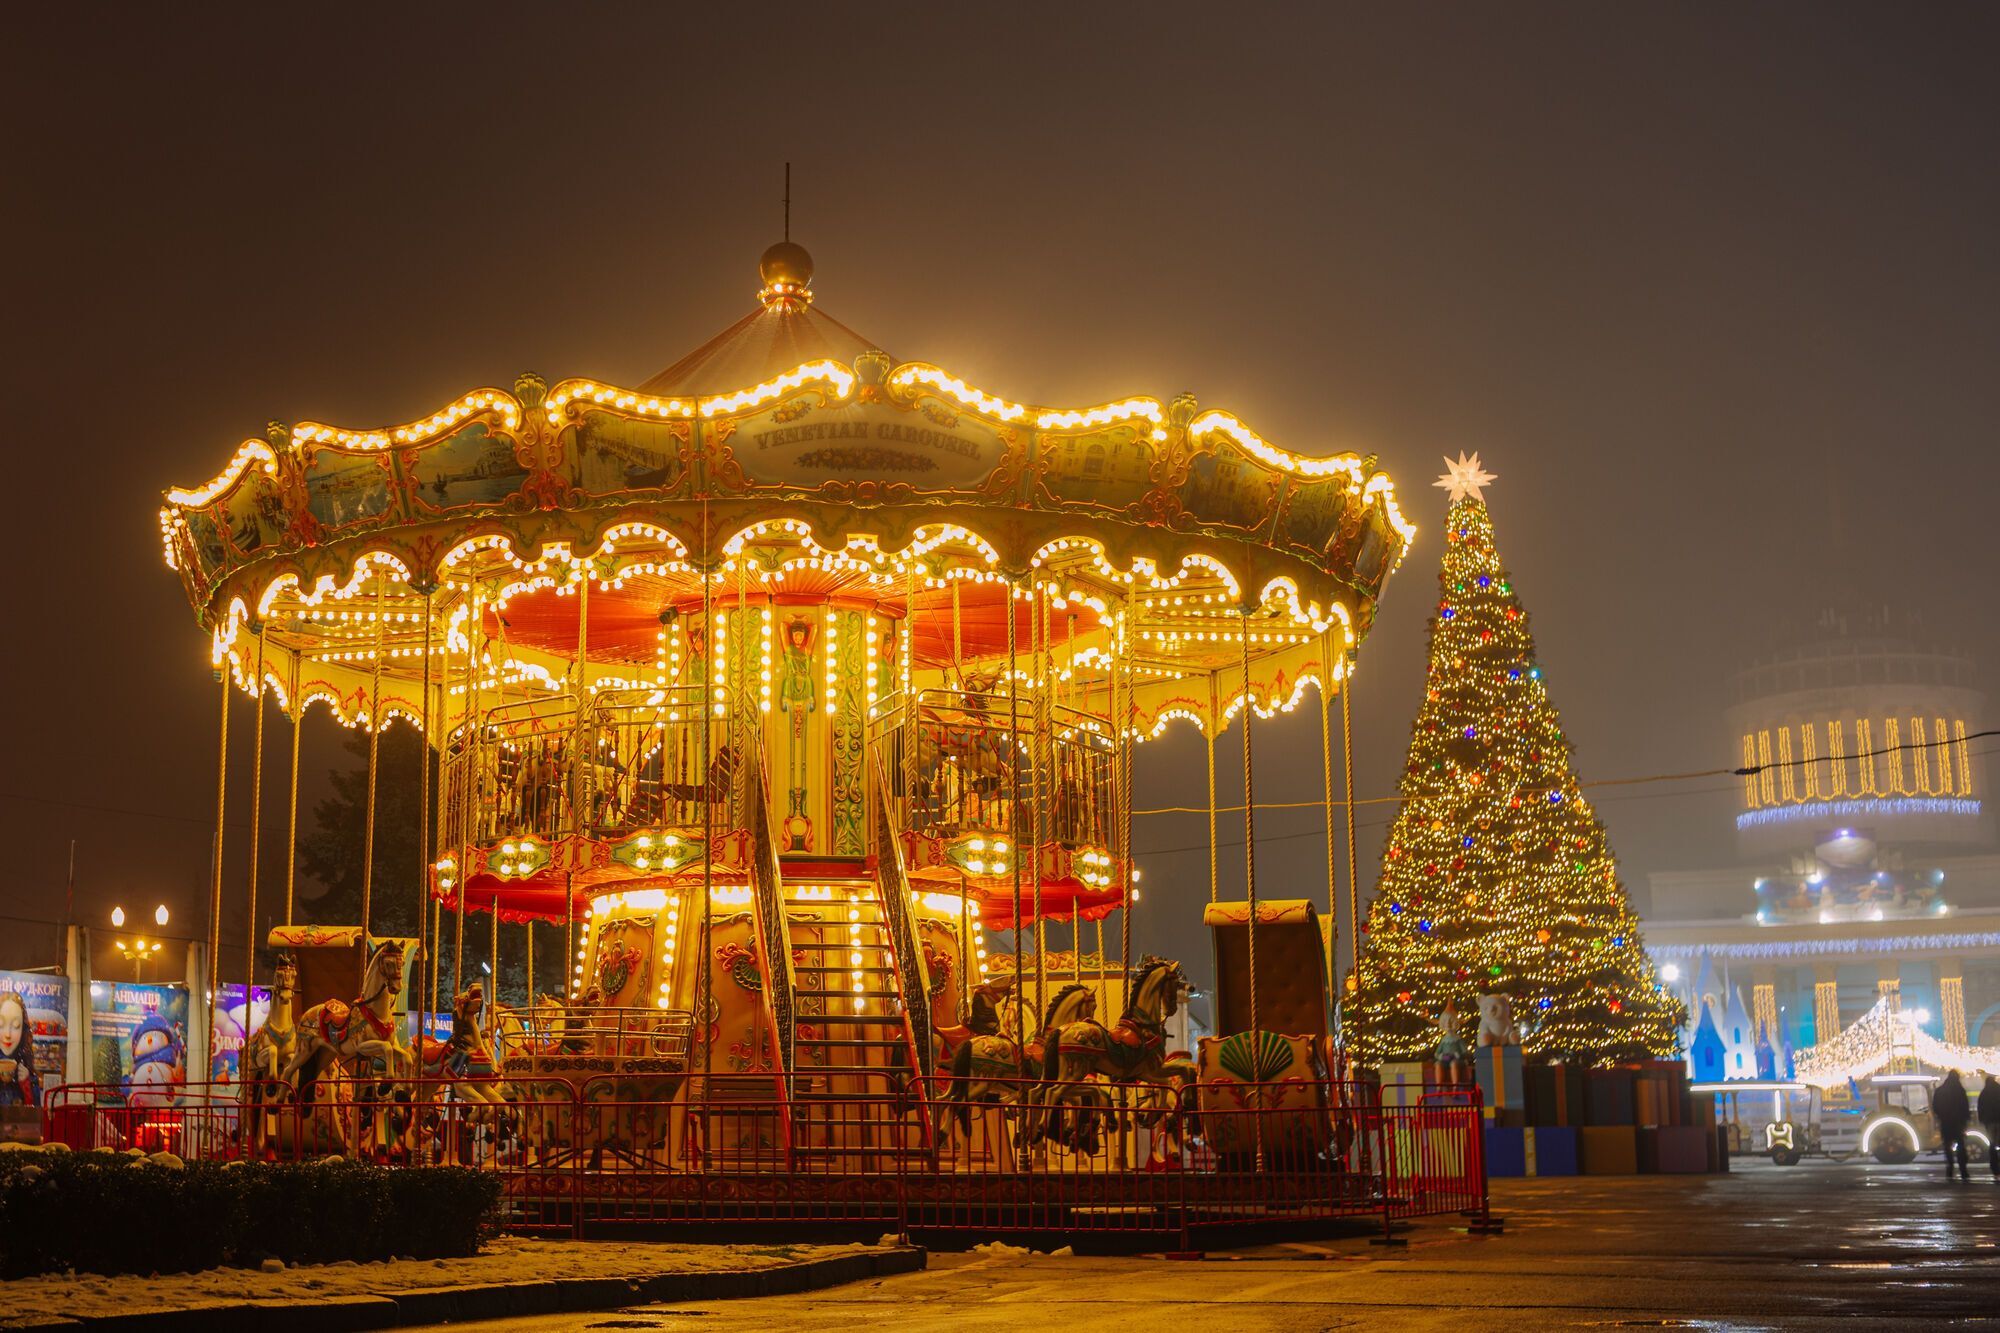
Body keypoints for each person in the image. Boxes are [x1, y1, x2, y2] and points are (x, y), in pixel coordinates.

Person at [1932, 1069, 1972, 1182]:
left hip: (1945, 1123)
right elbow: (1965, 1107)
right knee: (1960, 1146)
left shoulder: (1940, 1091)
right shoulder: (1960, 1090)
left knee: (1947, 1147)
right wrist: (1965, 1120)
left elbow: (1935, 1107)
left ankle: (1949, 1169)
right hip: (1958, 1123)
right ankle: (1963, 1170)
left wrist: (1941, 1116)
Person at [1979, 1073, 2000, 1180]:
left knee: (1992, 1144)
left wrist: (1982, 1120)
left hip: (1989, 1122)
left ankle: (1995, 1168)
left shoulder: (1984, 1092)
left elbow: (1980, 1107)